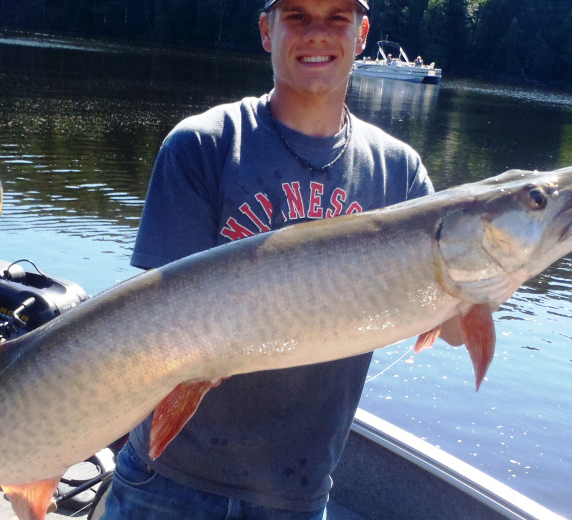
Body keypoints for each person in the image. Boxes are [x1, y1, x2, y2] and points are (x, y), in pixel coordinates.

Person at [101, 0, 436, 518]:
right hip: (168, 478)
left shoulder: (401, 173)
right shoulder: (203, 145)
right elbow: (156, 328)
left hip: (296, 494)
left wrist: (493, 279)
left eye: (337, 18)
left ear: (362, 32)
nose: (317, 34)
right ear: (266, 29)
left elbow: (452, 322)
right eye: (297, 16)